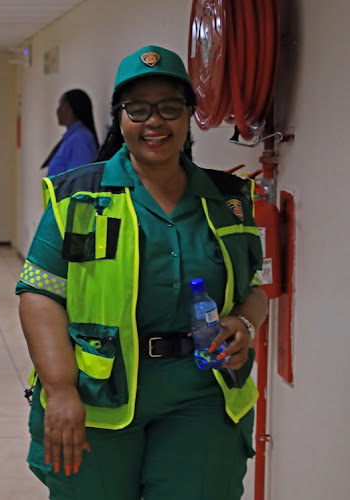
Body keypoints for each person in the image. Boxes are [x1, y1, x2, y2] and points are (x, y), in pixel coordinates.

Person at [16, 45, 268, 500]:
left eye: (170, 107)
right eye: (138, 109)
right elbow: (41, 293)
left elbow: (253, 287)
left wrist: (244, 323)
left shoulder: (229, 200)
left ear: (189, 115)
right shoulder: (80, 197)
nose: (155, 121)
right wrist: (61, 391)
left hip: (202, 395)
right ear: (120, 118)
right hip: (99, 394)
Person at [43, 89, 99, 177]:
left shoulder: (80, 138)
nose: (58, 110)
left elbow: (79, 180)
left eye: (61, 104)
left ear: (71, 108)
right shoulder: (71, 138)